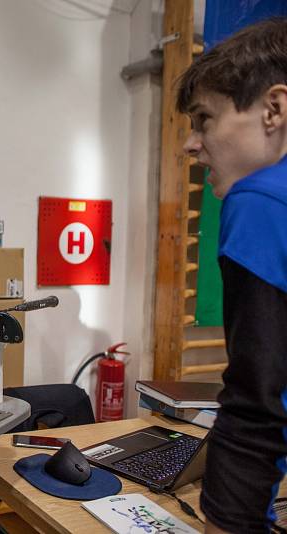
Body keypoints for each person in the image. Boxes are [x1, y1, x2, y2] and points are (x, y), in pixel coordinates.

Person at [177, 18, 287, 533]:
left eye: (204, 120)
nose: (190, 144)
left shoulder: (260, 198)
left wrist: (227, 520)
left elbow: (257, 401)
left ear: (275, 109)